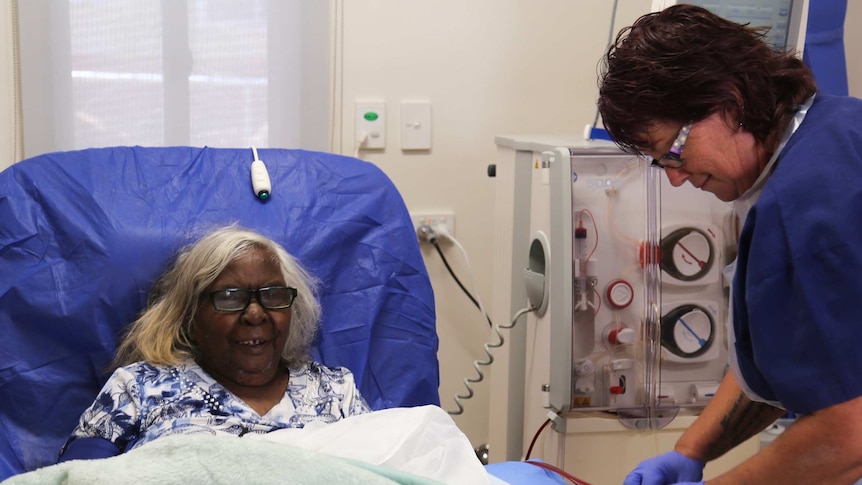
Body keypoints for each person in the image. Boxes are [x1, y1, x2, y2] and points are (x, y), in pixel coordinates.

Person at [598, 5, 862, 485]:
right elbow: (797, 357)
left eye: (673, 152)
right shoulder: (839, 129)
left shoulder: (804, 203)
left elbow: (849, 434)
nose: (676, 179)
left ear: (730, 101)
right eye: (661, 164)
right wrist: (690, 451)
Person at [58, 225, 370, 461]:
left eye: (273, 295)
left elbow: (384, 468)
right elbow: (79, 476)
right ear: (191, 315)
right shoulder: (139, 386)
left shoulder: (337, 390)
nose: (255, 314)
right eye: (230, 297)